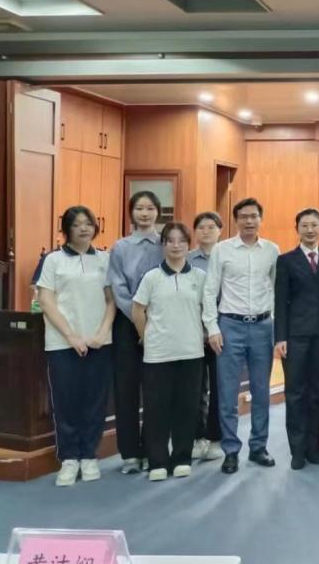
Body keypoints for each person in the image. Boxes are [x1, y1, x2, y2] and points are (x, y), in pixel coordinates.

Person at [37, 206, 115, 487]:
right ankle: (69, 458)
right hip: (62, 343)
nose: (83, 228)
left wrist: (101, 333)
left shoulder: (105, 259)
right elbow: (46, 300)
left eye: (88, 224)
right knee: (66, 401)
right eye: (77, 224)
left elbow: (112, 300)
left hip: (99, 342)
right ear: (67, 229)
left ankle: (89, 455)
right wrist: (71, 336)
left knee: (95, 400)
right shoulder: (53, 260)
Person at [203, 198, 280, 475]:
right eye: (244, 216)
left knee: (261, 391)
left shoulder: (272, 250)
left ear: (261, 219)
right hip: (230, 326)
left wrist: (273, 321)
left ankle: (258, 447)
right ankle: (231, 450)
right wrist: (213, 328)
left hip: (262, 327)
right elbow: (210, 290)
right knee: (227, 393)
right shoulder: (222, 250)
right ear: (236, 220)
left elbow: (275, 288)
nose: (249, 221)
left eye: (254, 216)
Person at [132, 222, 207, 482]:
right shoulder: (151, 277)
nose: (176, 245)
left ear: (189, 245)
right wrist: (147, 338)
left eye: (181, 240)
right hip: (157, 355)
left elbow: (207, 310)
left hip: (191, 353)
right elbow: (137, 311)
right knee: (156, 409)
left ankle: (182, 458)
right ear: (163, 245)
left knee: (187, 408)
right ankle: (158, 461)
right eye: (170, 240)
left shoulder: (199, 276)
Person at [107, 191, 164, 474]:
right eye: (139, 208)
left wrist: (155, 319)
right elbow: (117, 287)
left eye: (150, 208)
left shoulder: (166, 243)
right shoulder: (120, 247)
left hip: (161, 324)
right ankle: (130, 453)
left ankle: (153, 450)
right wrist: (139, 318)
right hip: (127, 324)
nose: (144, 213)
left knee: (156, 389)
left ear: (158, 212)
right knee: (126, 389)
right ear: (131, 212)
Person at [275, 208, 319, 470]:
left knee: (317, 392)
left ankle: (313, 446)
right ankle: (297, 450)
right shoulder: (286, 261)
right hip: (295, 337)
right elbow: (280, 301)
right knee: (295, 393)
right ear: (297, 229)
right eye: (305, 225)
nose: (310, 230)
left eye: (314, 225)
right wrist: (281, 337)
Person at [187, 211, 224, 461]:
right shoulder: (188, 259)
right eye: (201, 227)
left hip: (222, 332)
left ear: (220, 230)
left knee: (220, 388)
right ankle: (197, 437)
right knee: (195, 387)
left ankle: (215, 438)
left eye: (211, 227)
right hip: (193, 332)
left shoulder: (227, 256)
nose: (206, 231)